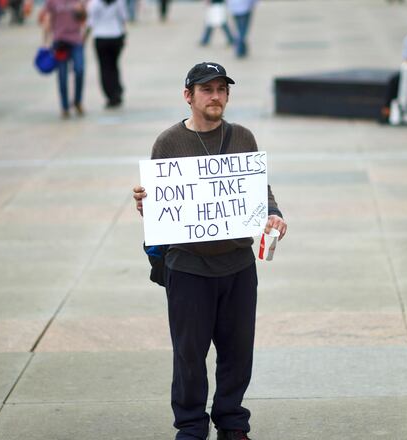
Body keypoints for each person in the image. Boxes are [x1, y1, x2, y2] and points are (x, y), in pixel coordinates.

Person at [132, 62, 287, 440]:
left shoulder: (244, 138)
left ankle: (232, 423)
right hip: (188, 267)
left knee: (238, 354)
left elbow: (260, 193)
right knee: (189, 355)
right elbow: (161, 203)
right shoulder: (168, 143)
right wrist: (146, 204)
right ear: (189, 96)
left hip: (238, 266)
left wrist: (275, 215)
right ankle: (190, 426)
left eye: (221, 89)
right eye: (207, 89)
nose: (216, 96)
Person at [42, 0, 88, 118]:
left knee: (80, 70)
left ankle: (77, 101)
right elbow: (46, 17)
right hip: (60, 42)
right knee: (62, 76)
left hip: (76, 41)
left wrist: (81, 10)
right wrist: (45, 42)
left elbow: (86, 18)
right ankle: (64, 106)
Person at [87, 0, 127, 109]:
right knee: (114, 65)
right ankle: (117, 91)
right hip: (115, 35)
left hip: (100, 37)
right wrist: (124, 35)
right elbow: (123, 18)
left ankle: (110, 94)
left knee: (104, 68)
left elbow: (90, 22)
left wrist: (84, 37)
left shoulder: (94, 3)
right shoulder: (119, 2)